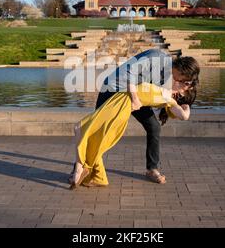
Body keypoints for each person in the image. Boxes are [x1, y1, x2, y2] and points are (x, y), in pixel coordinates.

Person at [94, 49, 200, 184]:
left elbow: (153, 94)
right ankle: (81, 167)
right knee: (98, 129)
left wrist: (179, 104)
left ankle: (152, 169)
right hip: (113, 90)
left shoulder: (169, 76)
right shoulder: (156, 57)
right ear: (181, 71)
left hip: (136, 95)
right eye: (184, 81)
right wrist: (134, 99)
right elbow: (129, 72)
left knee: (154, 127)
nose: (181, 84)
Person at [69, 81, 197, 189]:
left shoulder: (169, 101)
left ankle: (80, 170)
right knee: (91, 134)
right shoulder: (162, 86)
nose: (181, 84)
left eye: (184, 88)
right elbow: (131, 79)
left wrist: (186, 106)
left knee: (83, 129)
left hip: (120, 105)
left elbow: (184, 116)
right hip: (117, 99)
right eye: (184, 84)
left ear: (179, 96)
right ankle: (98, 176)